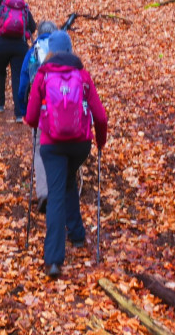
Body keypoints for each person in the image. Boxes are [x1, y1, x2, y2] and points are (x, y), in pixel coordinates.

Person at [25, 30, 107, 278]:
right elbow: (100, 116)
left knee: (56, 193)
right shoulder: (82, 75)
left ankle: (53, 260)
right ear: (70, 50)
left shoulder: (42, 75)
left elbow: (30, 118)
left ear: (50, 50)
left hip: (52, 144)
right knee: (68, 178)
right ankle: (78, 235)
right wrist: (100, 142)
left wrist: (41, 121)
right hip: (80, 144)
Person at [17, 20, 58, 212]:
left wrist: (24, 110)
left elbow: (24, 82)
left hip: (42, 109)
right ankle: (63, 192)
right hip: (66, 110)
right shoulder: (64, 50)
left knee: (40, 149)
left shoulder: (33, 51)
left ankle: (43, 192)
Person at [0, 0, 36, 120]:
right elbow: (33, 26)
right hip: (20, 46)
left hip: (1, 45)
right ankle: (19, 113)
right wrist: (25, 32)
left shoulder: (0, 6)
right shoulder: (23, 8)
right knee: (18, 77)